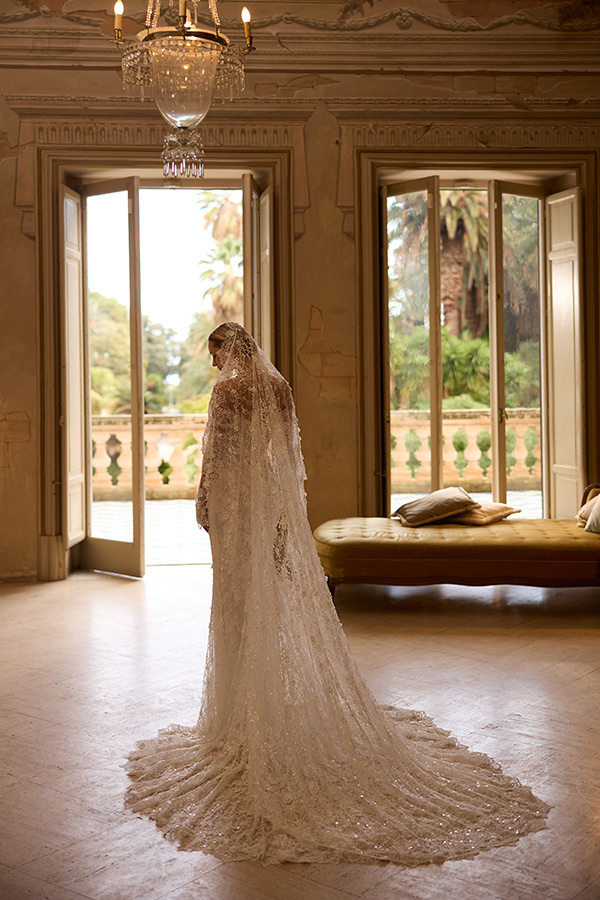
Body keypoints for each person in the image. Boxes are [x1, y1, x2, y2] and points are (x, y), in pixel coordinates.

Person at [126, 322, 549, 865]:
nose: (212, 365)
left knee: (235, 599)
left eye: (213, 353)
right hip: (270, 505)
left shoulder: (227, 389)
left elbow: (214, 454)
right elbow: (287, 457)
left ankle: (242, 708)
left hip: (236, 504)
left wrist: (204, 500)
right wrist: (284, 512)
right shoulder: (278, 387)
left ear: (227, 349)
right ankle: (264, 694)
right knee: (266, 596)